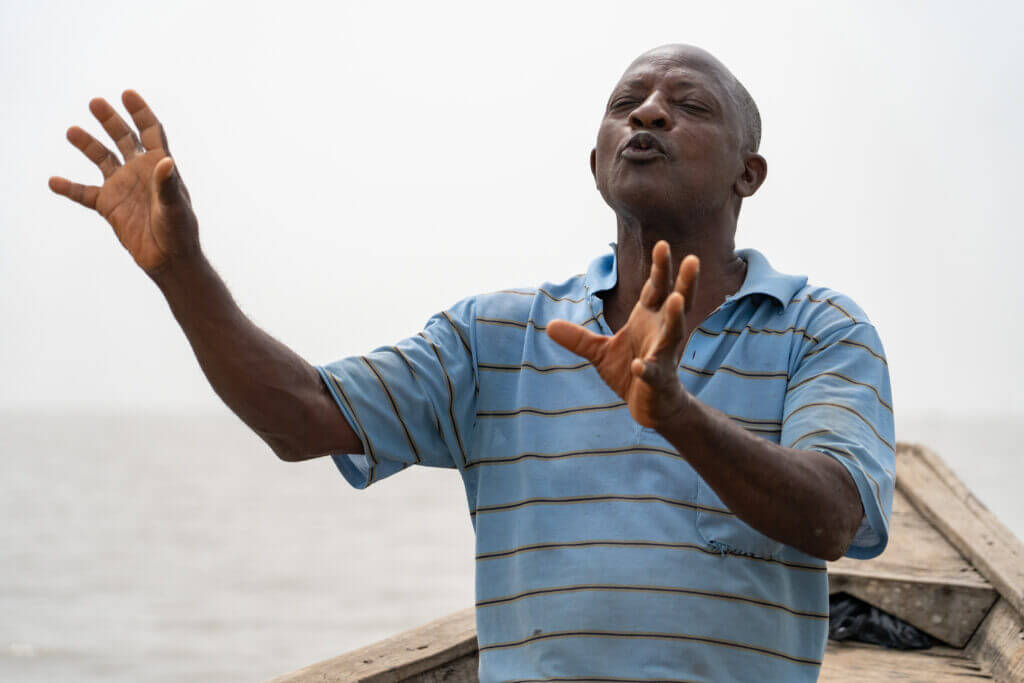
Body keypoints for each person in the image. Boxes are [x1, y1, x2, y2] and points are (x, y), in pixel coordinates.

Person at [49, 44, 894, 682]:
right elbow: (299, 415)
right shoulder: (496, 336)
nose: (648, 114)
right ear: (596, 163)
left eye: (689, 105)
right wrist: (182, 273)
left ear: (750, 173)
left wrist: (675, 412)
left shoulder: (818, 329)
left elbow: (836, 517)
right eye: (628, 103)